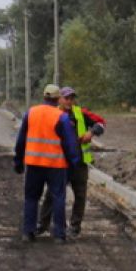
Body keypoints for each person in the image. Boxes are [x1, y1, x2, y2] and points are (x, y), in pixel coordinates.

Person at [14, 85, 83, 242]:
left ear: (43, 96)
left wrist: (18, 160)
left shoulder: (31, 113)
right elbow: (70, 143)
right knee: (58, 197)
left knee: (31, 198)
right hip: (55, 165)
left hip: (33, 164)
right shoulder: (61, 117)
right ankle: (59, 234)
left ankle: (28, 232)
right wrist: (74, 162)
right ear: (58, 98)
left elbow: (21, 139)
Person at [35, 86, 95, 237]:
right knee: (51, 194)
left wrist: (91, 132)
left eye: (72, 98)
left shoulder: (80, 113)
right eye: (66, 98)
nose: (69, 101)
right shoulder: (54, 114)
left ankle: (74, 227)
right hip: (59, 162)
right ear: (59, 99)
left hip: (79, 163)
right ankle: (43, 224)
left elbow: (100, 123)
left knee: (80, 195)